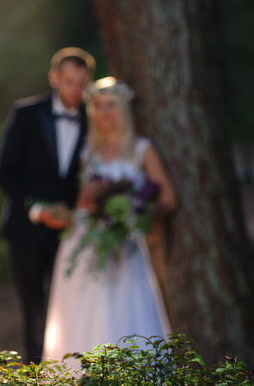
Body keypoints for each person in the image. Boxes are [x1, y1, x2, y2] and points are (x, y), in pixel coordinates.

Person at [42, 77, 177, 368]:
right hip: (87, 240)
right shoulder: (88, 151)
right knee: (85, 310)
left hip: (126, 242)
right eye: (99, 107)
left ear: (123, 110)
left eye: (111, 107)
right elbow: (83, 199)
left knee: (127, 307)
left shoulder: (141, 149)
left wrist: (139, 212)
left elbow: (167, 198)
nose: (105, 113)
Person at [0, 47, 95, 363]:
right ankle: (36, 373)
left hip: (69, 235)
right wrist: (38, 210)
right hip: (25, 232)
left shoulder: (94, 119)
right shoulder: (26, 113)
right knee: (33, 309)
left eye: (81, 83)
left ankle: (67, 370)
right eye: (68, 81)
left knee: (67, 308)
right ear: (54, 78)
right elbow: (4, 175)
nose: (74, 90)